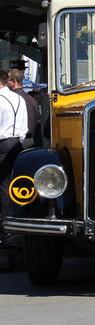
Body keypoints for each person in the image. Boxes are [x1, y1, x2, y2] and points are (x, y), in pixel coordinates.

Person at [0, 69, 28, 229]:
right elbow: (24, 125)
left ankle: (5, 226)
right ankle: (16, 221)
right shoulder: (19, 98)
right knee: (15, 184)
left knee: (3, 186)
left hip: (3, 143)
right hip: (17, 143)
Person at [8, 68, 38, 149]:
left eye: (8, 80)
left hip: (18, 141)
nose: (6, 83)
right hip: (30, 139)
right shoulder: (31, 98)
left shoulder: (12, 98)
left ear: (14, 81)